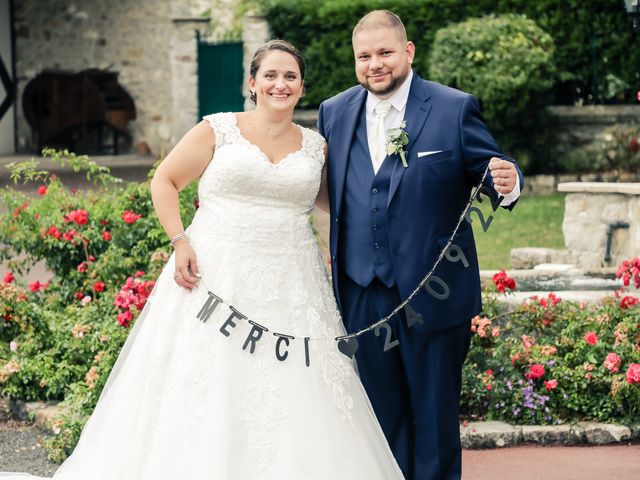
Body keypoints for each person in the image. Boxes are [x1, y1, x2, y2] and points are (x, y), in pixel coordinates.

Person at [0, 40, 403, 479]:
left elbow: (342, 203)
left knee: (300, 391)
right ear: (252, 83)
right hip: (214, 277)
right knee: (205, 382)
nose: (279, 84)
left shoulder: (314, 146)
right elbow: (166, 181)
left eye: (290, 76)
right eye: (270, 75)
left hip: (293, 284)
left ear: (302, 87)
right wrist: (180, 241)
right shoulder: (218, 129)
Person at [317, 10, 523, 480]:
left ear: (408, 52)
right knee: (377, 418)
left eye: (385, 52)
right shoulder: (334, 111)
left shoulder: (453, 107)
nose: (375, 64)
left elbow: (492, 171)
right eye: (364, 56)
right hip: (361, 292)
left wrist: (507, 183)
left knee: (433, 421)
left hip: (434, 291)